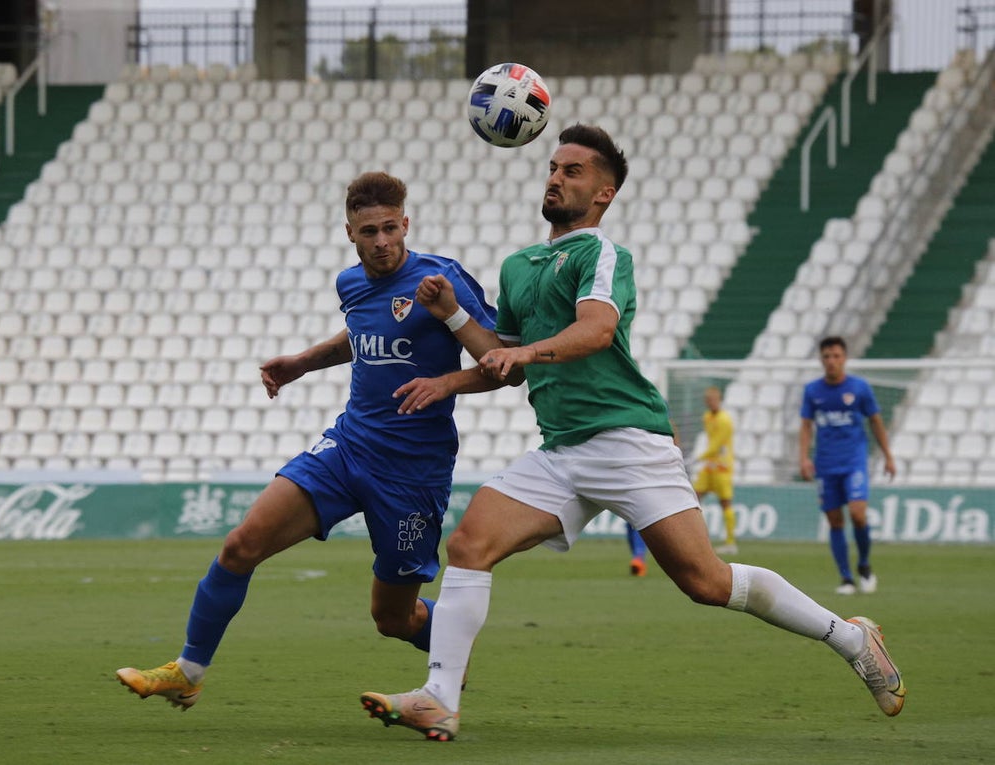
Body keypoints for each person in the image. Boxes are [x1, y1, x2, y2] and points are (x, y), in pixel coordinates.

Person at [358, 124, 905, 742]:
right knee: (470, 546)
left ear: (604, 193)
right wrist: (453, 316)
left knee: (706, 582)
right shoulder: (517, 266)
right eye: (553, 167)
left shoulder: (602, 254)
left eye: (573, 171)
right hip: (562, 450)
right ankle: (439, 698)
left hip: (627, 441)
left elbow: (592, 332)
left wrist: (524, 355)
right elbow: (503, 362)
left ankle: (854, 639)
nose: (556, 178)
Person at [116, 172, 496, 709]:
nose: (382, 241)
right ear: (350, 233)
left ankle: (448, 656)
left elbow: (502, 366)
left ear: (406, 224)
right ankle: (189, 668)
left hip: (413, 472)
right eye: (370, 231)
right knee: (240, 544)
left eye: (391, 228)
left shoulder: (443, 278)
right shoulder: (350, 284)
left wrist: (446, 377)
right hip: (347, 448)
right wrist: (301, 363)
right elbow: (361, 335)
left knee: (392, 618)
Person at [799, 336, 896, 595]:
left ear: (845, 358)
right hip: (826, 464)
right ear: (821, 360)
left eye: (836, 356)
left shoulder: (860, 388)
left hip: (854, 462)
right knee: (834, 521)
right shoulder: (812, 391)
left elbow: (876, 421)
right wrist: (804, 457)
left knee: (857, 513)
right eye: (827, 357)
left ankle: (864, 564)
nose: (831, 361)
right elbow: (806, 426)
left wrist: (888, 455)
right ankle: (846, 578)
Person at [692, 385, 739, 555]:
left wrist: (699, 457)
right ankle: (694, 539)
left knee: (725, 503)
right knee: (693, 499)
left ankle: (730, 542)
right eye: (708, 400)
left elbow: (717, 444)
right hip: (709, 466)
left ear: (719, 400)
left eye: (713, 399)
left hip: (722, 466)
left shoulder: (725, 420)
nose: (710, 403)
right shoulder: (707, 417)